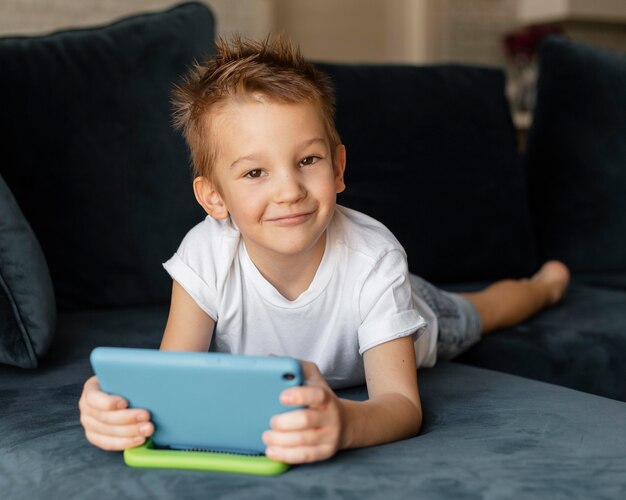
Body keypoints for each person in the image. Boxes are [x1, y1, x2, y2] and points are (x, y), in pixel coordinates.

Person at [78, 36, 570, 464]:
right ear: (214, 198)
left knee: (478, 312)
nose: (290, 190)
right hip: (360, 303)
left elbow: (400, 405)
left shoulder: (374, 258)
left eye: (307, 160)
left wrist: (345, 424)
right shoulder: (204, 256)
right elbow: (172, 380)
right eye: (255, 172)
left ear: (337, 168)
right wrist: (114, 404)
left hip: (406, 312)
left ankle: (541, 287)